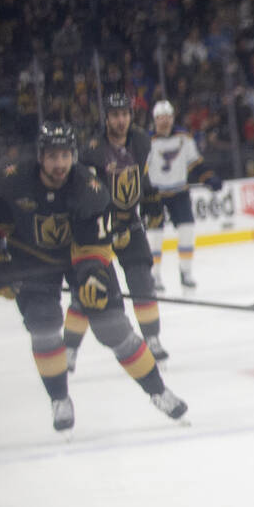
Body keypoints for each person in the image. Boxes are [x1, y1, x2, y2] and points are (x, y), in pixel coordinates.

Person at [0, 122, 188, 431]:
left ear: (73, 156)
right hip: (31, 260)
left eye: (65, 156)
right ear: (40, 157)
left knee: (112, 327)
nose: (59, 164)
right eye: (52, 157)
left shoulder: (88, 189)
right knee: (43, 324)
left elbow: (95, 247)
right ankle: (59, 398)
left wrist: (92, 278)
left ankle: (158, 391)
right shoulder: (13, 182)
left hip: (79, 258)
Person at [65, 92, 171, 369]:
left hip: (130, 223)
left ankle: (153, 339)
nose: (121, 120)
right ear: (107, 118)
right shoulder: (91, 149)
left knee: (142, 282)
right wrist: (109, 227)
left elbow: (146, 180)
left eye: (125, 114)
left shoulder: (141, 142)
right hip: (97, 226)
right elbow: (86, 193)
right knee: (89, 289)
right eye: (115, 115)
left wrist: (153, 206)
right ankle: (69, 349)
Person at [146, 99, 223, 290]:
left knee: (187, 230)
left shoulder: (184, 137)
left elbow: (195, 163)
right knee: (154, 235)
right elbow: (141, 169)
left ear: (172, 118)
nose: (164, 121)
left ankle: (186, 272)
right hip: (155, 194)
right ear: (155, 120)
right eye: (160, 118)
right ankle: (155, 276)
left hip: (180, 191)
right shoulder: (147, 141)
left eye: (167, 117)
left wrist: (208, 178)